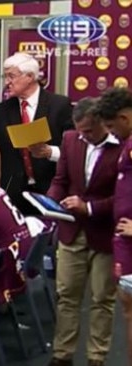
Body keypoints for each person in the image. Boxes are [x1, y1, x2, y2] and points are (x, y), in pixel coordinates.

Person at [46, 97, 121, 366]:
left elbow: (124, 197)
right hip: (71, 232)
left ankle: (96, 358)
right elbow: (60, 180)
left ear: (103, 123)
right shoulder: (69, 140)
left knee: (102, 299)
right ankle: (62, 355)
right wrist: (50, 200)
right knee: (67, 296)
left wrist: (88, 207)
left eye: (89, 131)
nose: (84, 136)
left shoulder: (124, 146)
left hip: (105, 235)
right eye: (80, 131)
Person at [0, 52, 73, 215]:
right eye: (5, 77)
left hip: (51, 190)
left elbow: (73, 149)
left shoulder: (59, 105)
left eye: (11, 76)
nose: (7, 82)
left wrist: (50, 152)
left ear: (30, 76)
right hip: (14, 193)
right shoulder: (2, 110)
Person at [94, 87, 132, 366]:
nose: (111, 133)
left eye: (110, 126)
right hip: (125, 245)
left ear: (124, 118)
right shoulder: (128, 145)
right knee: (128, 307)